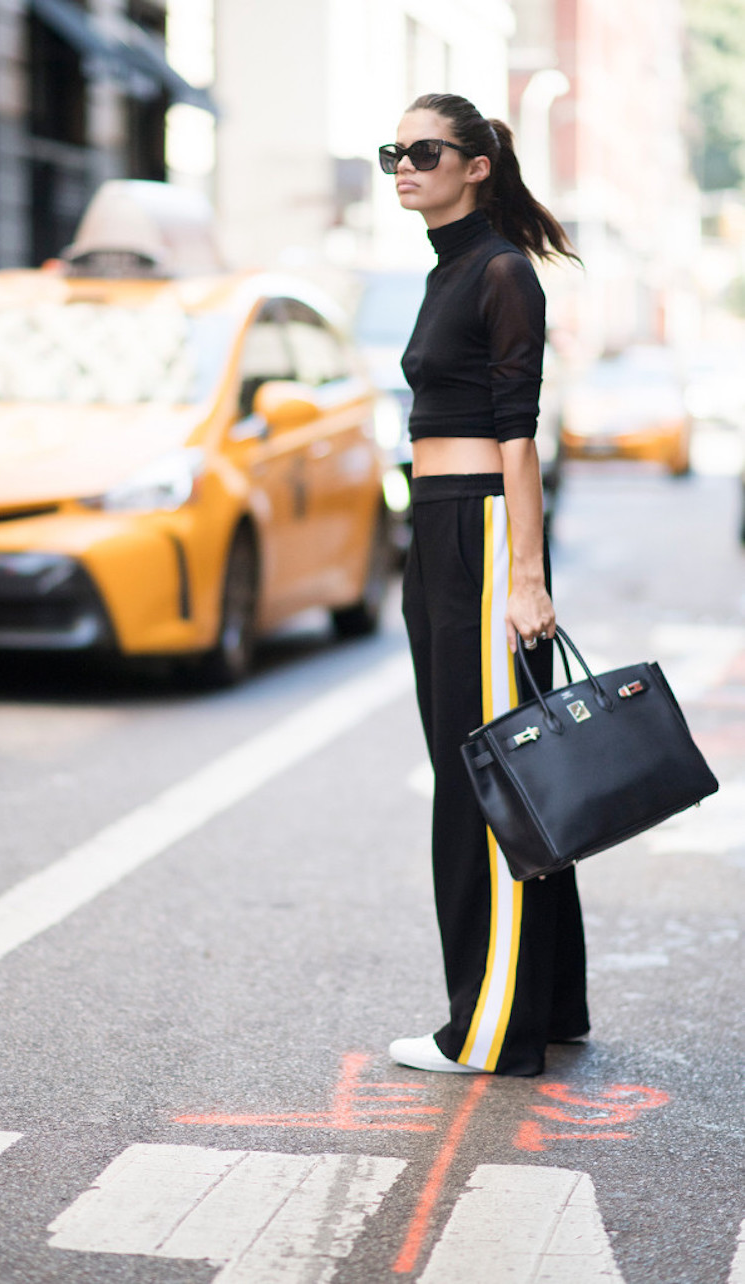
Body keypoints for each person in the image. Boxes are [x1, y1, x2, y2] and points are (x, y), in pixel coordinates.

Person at [381, 93, 589, 1077]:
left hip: (482, 529)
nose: (404, 166)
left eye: (424, 151)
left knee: (482, 777)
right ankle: (546, 1003)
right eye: (395, 152)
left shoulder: (501, 271)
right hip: (439, 529)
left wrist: (526, 578)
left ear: (476, 165)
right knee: (507, 763)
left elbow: (519, 436)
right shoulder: (447, 269)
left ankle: (492, 1026)